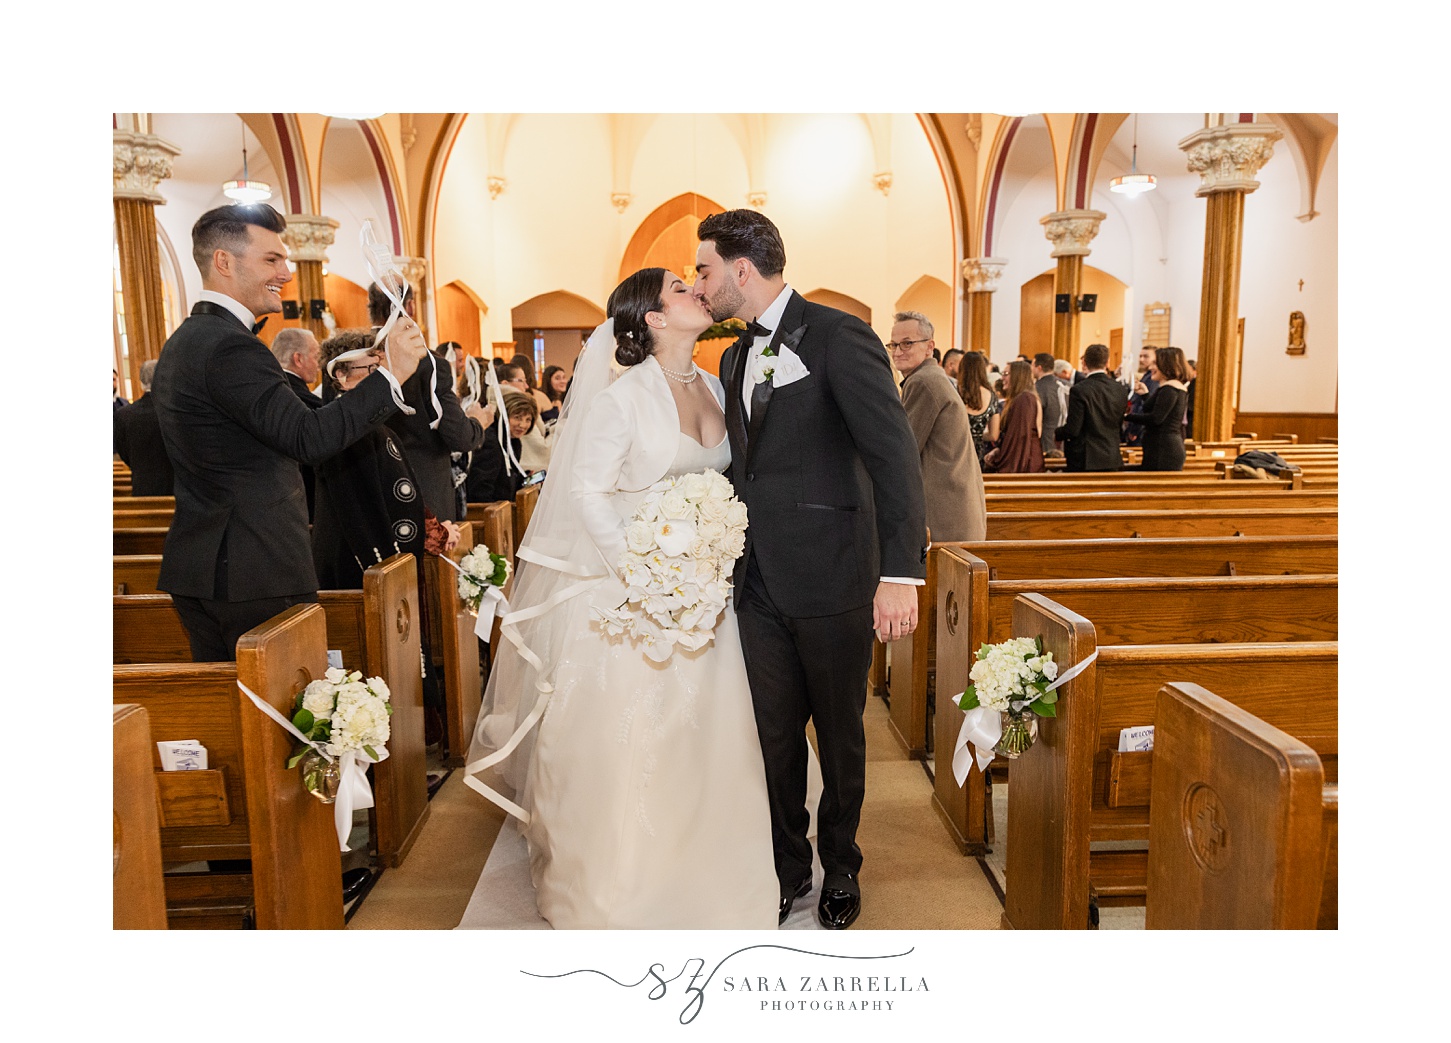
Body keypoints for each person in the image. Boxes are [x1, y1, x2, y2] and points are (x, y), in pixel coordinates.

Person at [464, 268, 778, 929]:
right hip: (630, 591)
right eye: (676, 286)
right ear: (654, 319)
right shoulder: (621, 396)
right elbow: (586, 494)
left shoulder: (716, 384)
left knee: (710, 737)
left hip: (705, 594)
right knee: (636, 741)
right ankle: (623, 888)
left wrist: (704, 560)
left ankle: (716, 872)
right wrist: (643, 574)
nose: (696, 286)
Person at [695, 209, 927, 930]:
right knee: (770, 735)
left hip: (832, 575)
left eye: (704, 269)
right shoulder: (730, 359)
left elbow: (894, 457)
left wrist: (901, 571)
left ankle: (842, 865)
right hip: (756, 581)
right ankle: (787, 867)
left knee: (840, 730)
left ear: (741, 269)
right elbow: (745, 468)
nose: (699, 285)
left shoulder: (839, 336)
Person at [152, 203, 429, 662]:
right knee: (280, 723)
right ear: (224, 262)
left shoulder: (188, 340)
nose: (286, 271)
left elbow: (293, 421)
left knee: (245, 716)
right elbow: (309, 438)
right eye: (271, 259)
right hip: (253, 568)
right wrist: (390, 376)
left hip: (208, 564)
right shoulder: (229, 347)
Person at [310, 330, 461, 588]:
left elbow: (398, 496)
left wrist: (435, 528)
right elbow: (365, 511)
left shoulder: (376, 427)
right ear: (341, 376)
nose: (384, 380)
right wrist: (435, 533)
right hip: (356, 570)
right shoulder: (343, 431)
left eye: (383, 369)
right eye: (371, 369)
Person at [368, 281, 490, 523]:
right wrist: (478, 421)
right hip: (422, 489)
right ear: (411, 306)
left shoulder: (350, 359)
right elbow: (459, 436)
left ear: (369, 308)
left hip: (368, 489)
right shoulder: (429, 365)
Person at [890, 312, 985, 542]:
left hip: (944, 516)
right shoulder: (930, 376)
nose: (898, 351)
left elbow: (903, 449)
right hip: (955, 509)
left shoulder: (923, 381)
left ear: (929, 347)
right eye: (893, 344)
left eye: (907, 343)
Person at [271, 327, 323, 518]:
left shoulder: (272, 392)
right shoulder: (299, 398)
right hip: (302, 499)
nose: (318, 365)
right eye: (316, 356)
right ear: (298, 359)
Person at [1055, 343, 1128, 472]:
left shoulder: (1079, 390)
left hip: (1086, 458)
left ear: (1084, 363)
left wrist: (1057, 433)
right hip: (1112, 455)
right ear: (1107, 362)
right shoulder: (1120, 389)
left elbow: (1073, 429)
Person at [113, 359, 174, 496]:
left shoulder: (124, 414)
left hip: (142, 487)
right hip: (173, 487)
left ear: (140, 383)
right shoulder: (174, 411)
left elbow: (123, 451)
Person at [1124, 346, 1190, 471]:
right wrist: (1145, 395)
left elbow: (1156, 418)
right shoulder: (1172, 388)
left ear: (1166, 365)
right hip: (1162, 447)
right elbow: (1158, 411)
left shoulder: (1169, 389)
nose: (1151, 368)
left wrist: (1126, 417)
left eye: (1155, 363)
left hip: (1164, 450)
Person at [464, 389, 535, 504]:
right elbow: (480, 486)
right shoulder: (492, 441)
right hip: (490, 510)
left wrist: (524, 478)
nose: (523, 425)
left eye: (528, 420)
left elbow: (504, 480)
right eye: (517, 418)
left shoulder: (514, 441)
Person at [983, 360, 1045, 473]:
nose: (1002, 378)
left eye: (1006, 374)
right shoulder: (1023, 398)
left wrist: (1006, 468)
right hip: (1024, 458)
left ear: (1018, 376)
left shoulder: (1024, 399)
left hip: (1024, 464)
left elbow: (1021, 438)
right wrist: (999, 450)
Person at [957, 350, 1001, 470]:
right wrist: (977, 434)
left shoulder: (955, 392)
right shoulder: (992, 396)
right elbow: (993, 435)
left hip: (957, 452)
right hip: (978, 454)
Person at [1032, 352, 1063, 458]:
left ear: (1039, 368)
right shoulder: (1067, 385)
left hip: (1046, 441)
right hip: (1064, 441)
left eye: (1032, 365)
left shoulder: (1037, 388)